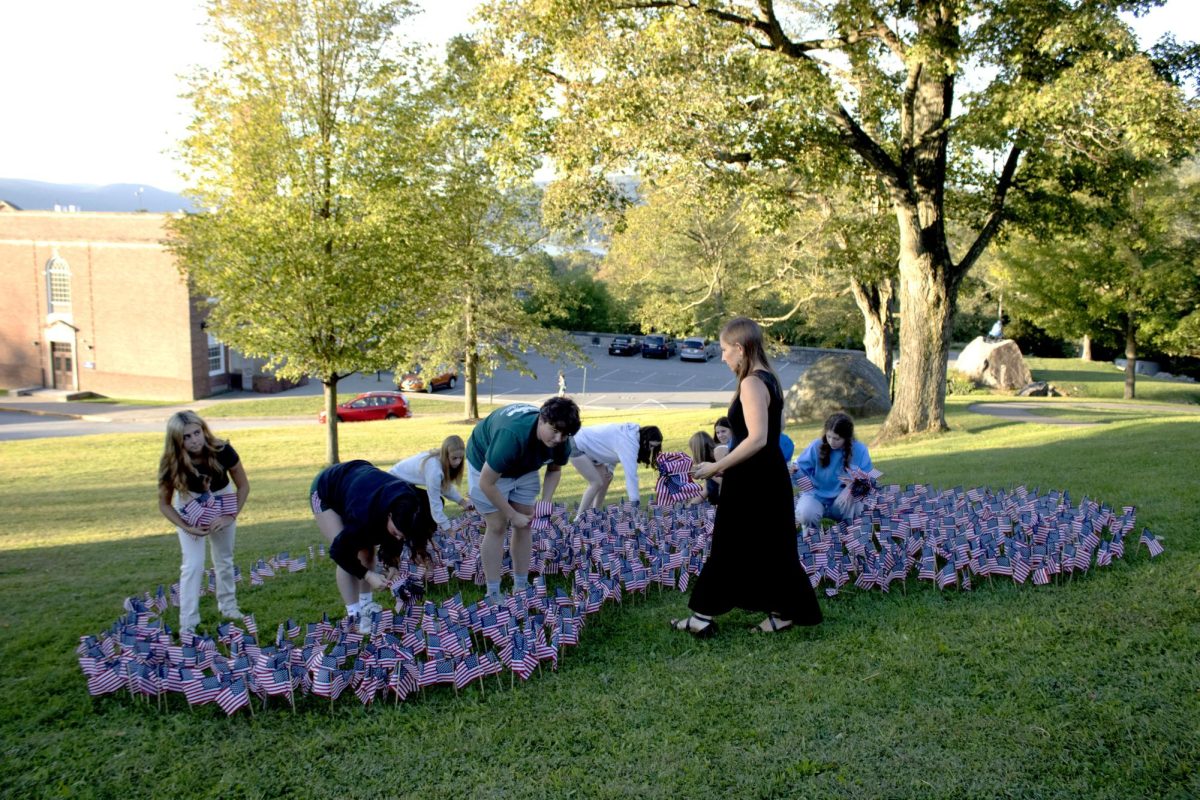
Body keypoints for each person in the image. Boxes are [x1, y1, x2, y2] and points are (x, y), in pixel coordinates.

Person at [679, 317, 822, 636]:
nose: (722, 356)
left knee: (729, 544)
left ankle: (701, 618)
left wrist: (716, 467)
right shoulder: (769, 377)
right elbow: (774, 433)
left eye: (725, 349)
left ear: (741, 349)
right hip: (767, 475)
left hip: (754, 479)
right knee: (772, 547)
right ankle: (783, 612)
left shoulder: (752, 383)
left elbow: (757, 438)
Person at [466, 398, 581, 601]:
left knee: (525, 523)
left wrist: (545, 500)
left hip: (525, 466)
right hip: (487, 465)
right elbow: (487, 483)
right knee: (498, 525)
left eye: (565, 434)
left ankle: (521, 585)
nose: (558, 438)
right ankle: (493, 591)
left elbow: (554, 469)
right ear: (541, 419)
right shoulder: (511, 435)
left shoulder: (561, 442)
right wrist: (512, 515)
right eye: (554, 430)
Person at [310, 460, 435, 631]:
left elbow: (394, 536)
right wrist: (368, 575)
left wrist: (392, 563)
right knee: (348, 551)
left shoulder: (412, 504)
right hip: (326, 491)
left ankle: (366, 606)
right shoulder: (363, 514)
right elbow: (339, 551)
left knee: (368, 552)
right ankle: (354, 616)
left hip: (360, 482)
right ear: (389, 515)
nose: (399, 538)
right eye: (396, 533)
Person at [157, 411, 250, 635]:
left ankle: (228, 607)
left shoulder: (222, 450)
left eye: (196, 433)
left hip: (223, 498)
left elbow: (243, 486)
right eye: (186, 437)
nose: (194, 440)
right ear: (177, 440)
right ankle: (188, 622)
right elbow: (164, 504)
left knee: (224, 558)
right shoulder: (171, 463)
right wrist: (186, 527)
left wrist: (229, 516)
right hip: (190, 502)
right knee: (193, 564)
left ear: (203, 430)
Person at [792, 412, 874, 529]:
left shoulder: (860, 450)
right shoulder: (816, 446)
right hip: (816, 496)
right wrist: (795, 472)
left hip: (843, 499)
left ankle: (850, 532)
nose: (831, 441)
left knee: (855, 498)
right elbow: (801, 471)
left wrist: (857, 484)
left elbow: (869, 479)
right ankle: (811, 536)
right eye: (828, 436)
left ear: (847, 437)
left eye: (836, 438)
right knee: (805, 513)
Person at [569, 423, 663, 520]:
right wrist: (635, 502)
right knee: (596, 483)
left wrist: (610, 469)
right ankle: (579, 519)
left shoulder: (631, 436)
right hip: (577, 445)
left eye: (654, 447)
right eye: (651, 445)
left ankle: (594, 513)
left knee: (606, 478)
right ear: (645, 439)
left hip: (590, 450)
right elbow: (631, 476)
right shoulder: (629, 442)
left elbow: (612, 450)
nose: (651, 449)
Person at [388, 435, 474, 531]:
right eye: (454, 458)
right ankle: (420, 536)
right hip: (393, 483)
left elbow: (444, 487)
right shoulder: (434, 469)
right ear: (446, 454)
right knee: (427, 504)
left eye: (461, 458)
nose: (458, 462)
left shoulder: (440, 460)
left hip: (402, 484)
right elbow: (434, 500)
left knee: (426, 504)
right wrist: (448, 528)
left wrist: (463, 502)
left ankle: (427, 534)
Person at [686, 431, 721, 506]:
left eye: (692, 450)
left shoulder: (717, 462)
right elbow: (705, 491)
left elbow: (725, 482)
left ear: (697, 450)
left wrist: (709, 472)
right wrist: (689, 507)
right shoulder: (707, 462)